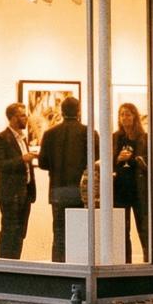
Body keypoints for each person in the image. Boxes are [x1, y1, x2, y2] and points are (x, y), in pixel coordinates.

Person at [39, 95, 97, 264]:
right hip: (82, 190)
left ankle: (59, 269)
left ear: (61, 111)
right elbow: (97, 160)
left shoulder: (50, 133)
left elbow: (42, 163)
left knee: (59, 233)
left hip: (58, 189)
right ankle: (79, 268)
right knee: (80, 233)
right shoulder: (89, 133)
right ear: (79, 111)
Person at [0, 102, 38, 260]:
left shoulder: (22, 139)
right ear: (12, 118)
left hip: (24, 193)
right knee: (9, 232)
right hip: (10, 194)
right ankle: (4, 266)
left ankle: (15, 264)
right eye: (23, 115)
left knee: (20, 233)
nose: (26, 119)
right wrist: (22, 159)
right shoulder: (1, 139)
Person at [112, 102, 150, 263]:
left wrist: (133, 159)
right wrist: (117, 159)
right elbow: (107, 161)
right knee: (122, 229)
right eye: (122, 114)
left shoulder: (144, 138)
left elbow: (149, 162)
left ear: (135, 116)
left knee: (144, 228)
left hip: (139, 188)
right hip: (120, 188)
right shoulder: (115, 137)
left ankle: (149, 261)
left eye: (128, 114)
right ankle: (125, 263)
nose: (124, 117)